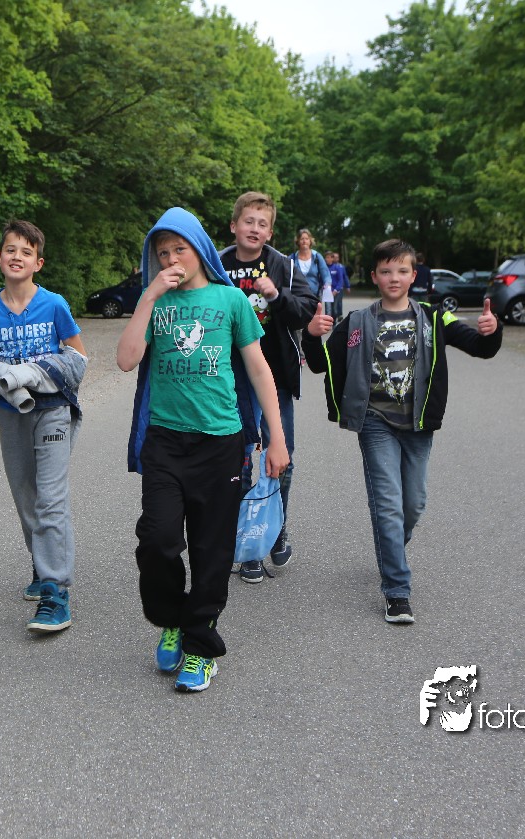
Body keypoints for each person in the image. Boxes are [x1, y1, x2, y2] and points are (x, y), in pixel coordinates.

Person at [119, 207, 290, 693]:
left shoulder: (230, 299)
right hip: (165, 442)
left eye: (181, 248)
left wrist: (276, 439)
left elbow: (258, 369)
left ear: (200, 249)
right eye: (162, 253)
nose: (172, 259)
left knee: (212, 550)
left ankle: (200, 645)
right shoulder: (156, 302)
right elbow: (126, 359)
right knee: (157, 539)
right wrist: (149, 295)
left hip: (220, 442)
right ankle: (171, 618)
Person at [303, 239, 501, 624]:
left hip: (418, 424)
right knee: (388, 506)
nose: (394, 277)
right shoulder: (356, 322)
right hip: (374, 422)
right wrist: (311, 335)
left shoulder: (434, 317)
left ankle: (390, 545)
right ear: (375, 276)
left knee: (414, 504)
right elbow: (320, 364)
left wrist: (492, 331)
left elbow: (480, 347)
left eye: (402, 270)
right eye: (386, 271)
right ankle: (397, 590)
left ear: (414, 276)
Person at [0, 220, 87, 634]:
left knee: (50, 498)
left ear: (38, 262)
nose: (16, 256)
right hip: (11, 413)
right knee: (26, 495)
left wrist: (36, 373)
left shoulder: (54, 304)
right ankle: (41, 562)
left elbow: (78, 358)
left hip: (53, 410)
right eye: (10, 249)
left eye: (26, 251)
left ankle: (56, 590)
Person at [219, 196, 316, 583]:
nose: (254, 229)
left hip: (274, 374)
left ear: (270, 232)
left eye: (262, 224)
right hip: (228, 376)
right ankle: (248, 545)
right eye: (248, 221)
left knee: (280, 457)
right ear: (234, 226)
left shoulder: (284, 266)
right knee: (241, 458)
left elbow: (305, 312)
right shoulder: (216, 263)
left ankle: (275, 528)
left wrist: (276, 295)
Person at [325, 251, 351, 321]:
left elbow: (343, 277)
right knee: (328, 307)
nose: (327, 259)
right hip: (327, 291)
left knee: (337, 304)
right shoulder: (324, 267)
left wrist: (347, 286)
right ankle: (329, 321)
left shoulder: (339, 267)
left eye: (329, 257)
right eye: (326, 257)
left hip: (337, 290)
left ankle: (338, 315)